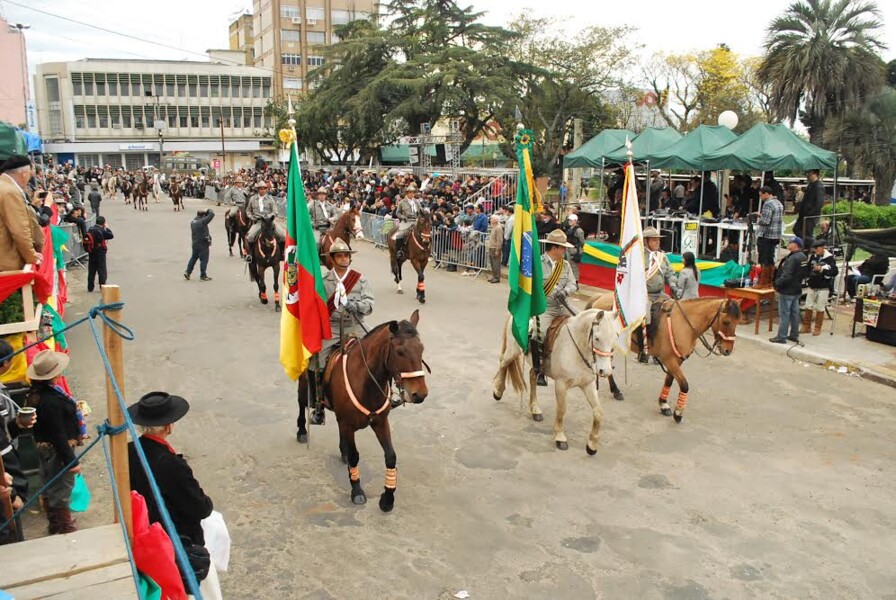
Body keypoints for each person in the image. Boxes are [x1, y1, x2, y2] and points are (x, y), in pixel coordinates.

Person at [127, 391, 214, 558]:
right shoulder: (172, 465)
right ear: (168, 426)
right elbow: (200, 508)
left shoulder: (129, 451)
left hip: (141, 524)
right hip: (170, 538)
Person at [307, 239, 374, 426]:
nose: (344, 259)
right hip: (332, 327)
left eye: (346, 255)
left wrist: (357, 305)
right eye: (340, 256)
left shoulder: (360, 280)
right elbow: (314, 303)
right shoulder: (323, 281)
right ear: (332, 259)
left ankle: (382, 397)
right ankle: (318, 405)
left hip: (355, 325)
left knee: (381, 351)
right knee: (316, 361)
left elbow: (370, 304)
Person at [28, 350, 85, 534]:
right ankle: (64, 526)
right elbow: (58, 434)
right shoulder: (51, 401)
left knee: (48, 483)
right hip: (58, 451)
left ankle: (54, 522)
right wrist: (71, 461)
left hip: (46, 448)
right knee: (61, 487)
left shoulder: (36, 395)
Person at [531, 229, 577, 386]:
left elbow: (573, 283)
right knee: (539, 333)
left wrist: (566, 291)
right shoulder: (538, 264)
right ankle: (538, 370)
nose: (565, 250)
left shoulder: (565, 265)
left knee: (582, 324)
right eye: (563, 247)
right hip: (546, 307)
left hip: (563, 305)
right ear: (554, 248)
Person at [640, 227, 679, 362]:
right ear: (646, 241)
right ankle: (644, 349)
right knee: (648, 319)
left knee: (676, 312)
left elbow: (670, 273)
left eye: (658, 240)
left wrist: (673, 284)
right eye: (654, 240)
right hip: (644, 295)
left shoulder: (662, 257)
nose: (657, 242)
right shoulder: (638, 256)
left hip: (660, 294)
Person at [0, 154, 43, 271]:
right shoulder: (10, 192)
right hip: (7, 263)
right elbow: (20, 230)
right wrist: (31, 256)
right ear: (24, 174)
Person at [770, 237, 808, 344]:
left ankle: (781, 336)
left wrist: (776, 283)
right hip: (797, 289)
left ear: (795, 245)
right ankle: (794, 334)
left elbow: (787, 275)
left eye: (790, 242)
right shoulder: (803, 257)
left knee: (784, 313)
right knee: (794, 313)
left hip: (787, 290)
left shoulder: (792, 258)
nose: (788, 244)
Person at [801, 239, 838, 336]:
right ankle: (806, 326)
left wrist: (821, 270)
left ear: (822, 248)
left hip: (823, 286)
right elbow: (808, 267)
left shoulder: (830, 259)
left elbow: (834, 272)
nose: (815, 250)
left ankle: (818, 327)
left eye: (817, 248)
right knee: (808, 305)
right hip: (812, 285)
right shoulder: (814, 256)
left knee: (820, 307)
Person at [752, 186, 783, 288]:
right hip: (775, 235)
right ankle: (770, 281)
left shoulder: (768, 204)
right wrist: (762, 215)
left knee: (763, 259)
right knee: (771, 258)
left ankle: (763, 282)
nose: (760, 197)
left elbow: (766, 221)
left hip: (767, 235)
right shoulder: (779, 203)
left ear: (766, 193)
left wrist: (758, 220)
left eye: (761, 195)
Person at [246, 181, 285, 246]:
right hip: (259, 222)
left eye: (264, 189)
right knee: (250, 237)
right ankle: (250, 254)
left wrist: (268, 217)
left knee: (282, 236)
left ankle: (282, 253)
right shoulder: (252, 199)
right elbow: (248, 211)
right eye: (261, 189)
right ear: (258, 190)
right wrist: (252, 217)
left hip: (270, 222)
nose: (263, 191)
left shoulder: (270, 199)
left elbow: (275, 211)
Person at [85, 216, 114, 293]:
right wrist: (107, 228)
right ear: (103, 223)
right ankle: (102, 285)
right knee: (101, 269)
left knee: (91, 270)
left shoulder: (90, 229)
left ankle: (90, 287)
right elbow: (110, 235)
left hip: (91, 251)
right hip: (100, 252)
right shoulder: (101, 230)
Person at [794, 170, 823, 246]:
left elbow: (818, 203)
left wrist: (810, 213)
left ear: (815, 174)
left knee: (807, 232)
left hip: (811, 216)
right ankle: (809, 243)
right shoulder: (810, 185)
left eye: (809, 173)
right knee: (797, 229)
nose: (807, 175)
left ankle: (812, 243)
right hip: (804, 214)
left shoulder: (818, 186)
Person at [185, 209, 215, 282]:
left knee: (193, 258)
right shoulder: (202, 222)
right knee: (204, 260)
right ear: (203, 216)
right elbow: (212, 214)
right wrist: (208, 210)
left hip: (195, 243)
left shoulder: (193, 222)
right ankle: (203, 275)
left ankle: (188, 272)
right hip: (203, 244)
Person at [564, 214, 585, 284]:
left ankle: (576, 281)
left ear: (575, 221)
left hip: (574, 250)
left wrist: (578, 249)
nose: (569, 221)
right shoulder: (569, 229)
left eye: (571, 220)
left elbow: (582, 241)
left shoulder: (579, 230)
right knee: (568, 265)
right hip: (568, 249)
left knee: (574, 266)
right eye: (569, 220)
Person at [486, 214, 503, 283]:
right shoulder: (493, 227)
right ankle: (494, 276)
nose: (490, 220)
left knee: (496, 263)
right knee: (492, 263)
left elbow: (499, 240)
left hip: (495, 248)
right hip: (491, 247)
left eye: (492, 219)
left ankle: (496, 277)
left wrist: (497, 250)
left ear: (495, 220)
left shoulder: (498, 228)